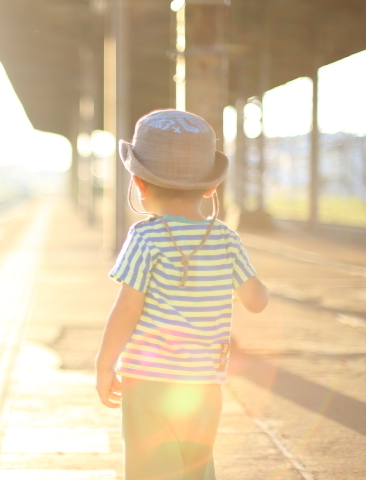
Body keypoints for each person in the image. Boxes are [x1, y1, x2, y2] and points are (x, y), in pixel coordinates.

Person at [94, 109, 269, 480]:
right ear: (210, 187)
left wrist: (104, 364)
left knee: (150, 471)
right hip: (204, 386)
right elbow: (257, 302)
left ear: (139, 183)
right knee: (196, 469)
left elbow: (127, 309)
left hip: (148, 384)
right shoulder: (225, 239)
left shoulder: (145, 237)